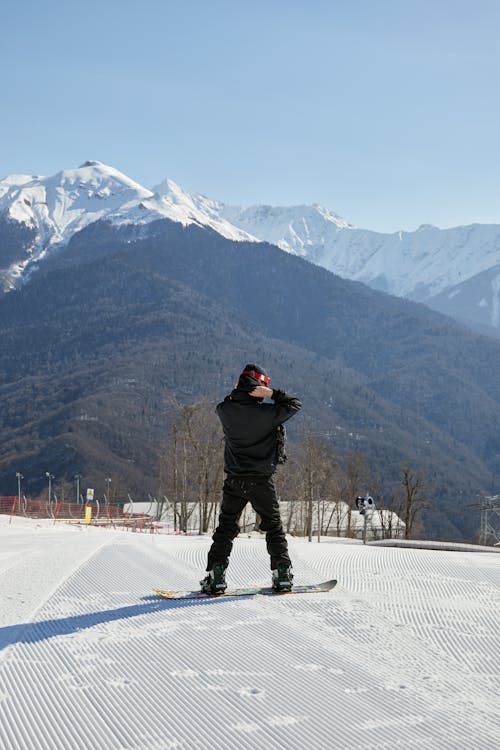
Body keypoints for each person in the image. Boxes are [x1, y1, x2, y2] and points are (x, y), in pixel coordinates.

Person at [200, 364, 302, 595]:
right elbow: (295, 403)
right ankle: (282, 574)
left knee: (226, 528)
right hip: (261, 481)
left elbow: (226, 402)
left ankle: (216, 577)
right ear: (258, 388)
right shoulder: (268, 414)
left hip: (234, 480)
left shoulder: (224, 410)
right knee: (273, 528)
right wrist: (273, 394)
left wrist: (238, 392)